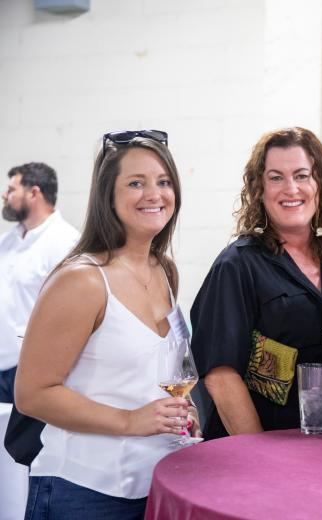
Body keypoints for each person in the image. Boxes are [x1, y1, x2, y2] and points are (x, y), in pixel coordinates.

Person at [15, 130, 192, 519]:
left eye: (164, 182)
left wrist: (181, 407)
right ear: (107, 195)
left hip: (157, 483)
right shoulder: (82, 280)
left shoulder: (164, 272)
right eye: (135, 183)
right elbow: (32, 393)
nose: (154, 194)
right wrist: (130, 420)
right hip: (85, 490)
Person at [191, 127, 322, 439]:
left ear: (319, 184)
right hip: (264, 445)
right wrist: (261, 455)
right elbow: (220, 375)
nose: (291, 188)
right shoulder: (237, 265)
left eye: (301, 175)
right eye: (276, 177)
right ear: (259, 188)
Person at [0, 162, 79, 403]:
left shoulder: (65, 243)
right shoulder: (6, 241)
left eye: (12, 190)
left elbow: (69, 318)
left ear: (34, 193)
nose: (4, 194)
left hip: (31, 369)